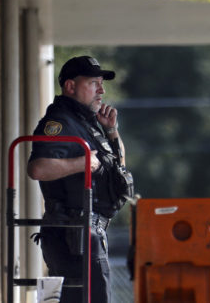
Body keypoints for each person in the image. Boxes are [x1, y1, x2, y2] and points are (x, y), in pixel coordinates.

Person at [27, 55, 131, 303]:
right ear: (70, 86)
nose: (101, 90)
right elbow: (38, 168)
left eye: (101, 84)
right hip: (72, 234)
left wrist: (112, 131)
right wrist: (81, 163)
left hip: (88, 232)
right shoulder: (59, 122)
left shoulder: (87, 122)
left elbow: (120, 167)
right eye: (94, 83)